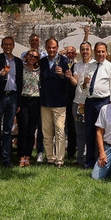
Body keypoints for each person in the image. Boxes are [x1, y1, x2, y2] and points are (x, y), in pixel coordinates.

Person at [80, 41, 111, 169]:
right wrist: (84, 84)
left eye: (102, 51)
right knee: (89, 132)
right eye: (98, 51)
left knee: (102, 132)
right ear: (94, 52)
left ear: (106, 53)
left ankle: (101, 160)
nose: (100, 54)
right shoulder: (89, 66)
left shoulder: (110, 67)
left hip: (103, 102)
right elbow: (84, 87)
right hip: (90, 102)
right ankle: (89, 162)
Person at [39, 37, 73, 167]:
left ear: (57, 48)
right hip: (45, 101)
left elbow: (69, 82)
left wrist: (62, 75)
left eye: (54, 47)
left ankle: (60, 160)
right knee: (46, 131)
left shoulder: (65, 61)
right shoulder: (42, 61)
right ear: (46, 48)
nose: (51, 50)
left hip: (59, 102)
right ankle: (50, 158)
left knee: (59, 131)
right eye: (49, 47)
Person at [0, 36, 20, 167]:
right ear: (2, 46)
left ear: (13, 46)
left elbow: (21, 81)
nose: (8, 47)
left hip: (13, 97)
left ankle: (6, 159)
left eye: (10, 44)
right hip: (0, 96)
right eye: (6, 44)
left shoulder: (18, 62)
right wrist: (0, 74)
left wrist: (18, 101)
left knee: (8, 130)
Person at [16, 50, 41, 166]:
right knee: (23, 130)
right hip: (24, 100)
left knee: (31, 131)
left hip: (35, 101)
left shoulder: (39, 70)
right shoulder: (21, 69)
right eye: (31, 56)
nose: (32, 58)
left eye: (35, 57)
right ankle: (21, 156)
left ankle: (28, 156)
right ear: (26, 56)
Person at [70, 40, 94, 166]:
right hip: (78, 102)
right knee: (80, 132)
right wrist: (69, 76)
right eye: (83, 49)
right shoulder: (77, 65)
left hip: (90, 102)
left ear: (91, 50)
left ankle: (91, 157)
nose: (85, 51)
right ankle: (80, 159)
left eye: (87, 49)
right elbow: (74, 82)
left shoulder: (95, 64)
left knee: (92, 131)